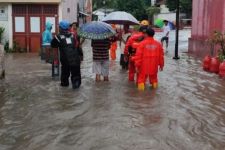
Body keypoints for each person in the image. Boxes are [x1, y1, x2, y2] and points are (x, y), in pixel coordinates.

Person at [51, 20, 83, 89]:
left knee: (64, 81)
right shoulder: (73, 35)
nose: (58, 28)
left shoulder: (57, 37)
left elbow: (53, 45)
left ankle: (65, 95)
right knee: (76, 79)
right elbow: (78, 46)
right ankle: (76, 93)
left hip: (66, 61)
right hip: (76, 60)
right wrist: (81, 57)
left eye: (59, 27)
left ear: (60, 28)